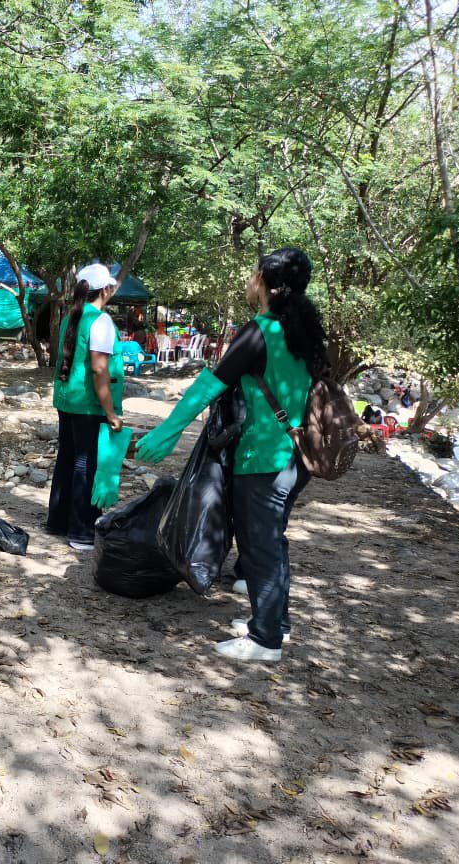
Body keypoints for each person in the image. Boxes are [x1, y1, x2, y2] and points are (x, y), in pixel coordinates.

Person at [137, 247, 328, 663]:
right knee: (271, 540)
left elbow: (211, 384)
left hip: (265, 456)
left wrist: (169, 431)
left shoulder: (261, 330)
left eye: (252, 273)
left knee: (261, 544)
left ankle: (265, 641)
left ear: (263, 280)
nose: (248, 281)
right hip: (297, 456)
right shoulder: (304, 330)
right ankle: (275, 621)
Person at [47, 263, 124, 551]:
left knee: (67, 457)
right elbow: (99, 369)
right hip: (89, 405)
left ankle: (58, 520)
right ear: (105, 289)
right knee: (85, 463)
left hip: (67, 399)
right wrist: (110, 411)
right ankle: (81, 531)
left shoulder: (72, 317)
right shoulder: (100, 321)